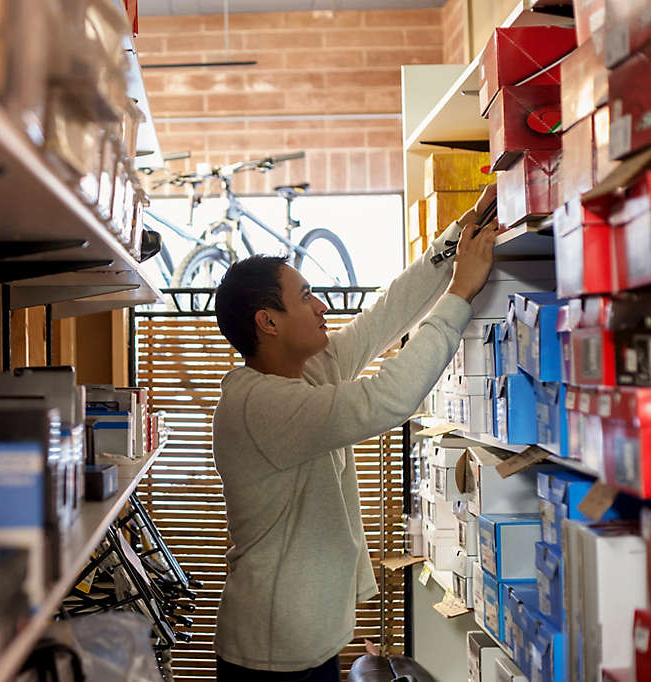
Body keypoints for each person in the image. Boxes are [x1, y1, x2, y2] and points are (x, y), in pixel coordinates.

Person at [210, 184, 498, 682]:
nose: (321, 305)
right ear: (267, 321)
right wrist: (459, 295)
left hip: (305, 633)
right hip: (272, 651)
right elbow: (385, 399)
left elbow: (383, 317)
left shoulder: (305, 369)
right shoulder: (260, 404)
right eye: (305, 297)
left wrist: (457, 237)